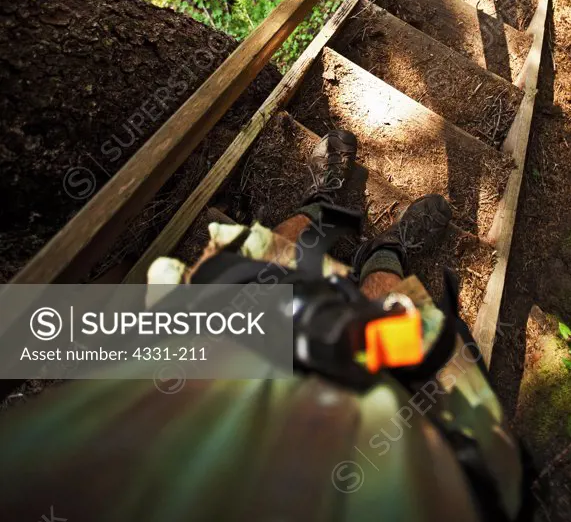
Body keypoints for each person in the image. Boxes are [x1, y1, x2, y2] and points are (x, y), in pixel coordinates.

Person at [0, 131, 532, 522]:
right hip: (413, 475)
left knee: (255, 271)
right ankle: (386, 258)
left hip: (139, 416)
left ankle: (323, 207)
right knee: (402, 334)